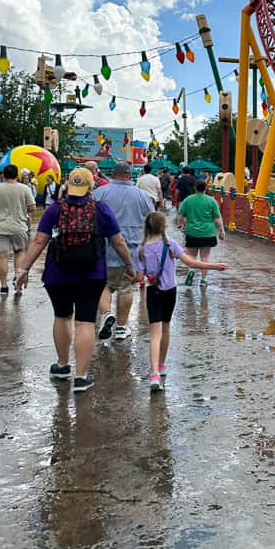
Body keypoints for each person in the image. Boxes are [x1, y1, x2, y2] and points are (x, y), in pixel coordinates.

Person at [14, 167, 135, 393]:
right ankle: (81, 377)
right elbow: (118, 242)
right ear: (91, 187)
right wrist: (130, 265)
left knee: (62, 317)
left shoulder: (54, 210)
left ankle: (62, 366)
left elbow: (40, 240)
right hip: (92, 275)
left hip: (57, 274)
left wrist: (23, 269)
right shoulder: (101, 210)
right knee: (85, 323)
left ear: (69, 185)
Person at [134, 211, 229, 392]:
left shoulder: (141, 250)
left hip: (153, 292)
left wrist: (137, 276)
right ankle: (162, 365)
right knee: (166, 327)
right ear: (164, 227)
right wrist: (214, 266)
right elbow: (191, 263)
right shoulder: (170, 245)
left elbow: (140, 277)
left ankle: (153, 374)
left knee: (155, 333)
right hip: (170, 291)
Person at [93, 160, 154, 341]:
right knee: (126, 288)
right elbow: (151, 222)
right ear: (129, 175)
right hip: (133, 249)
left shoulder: (99, 193)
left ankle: (106, 315)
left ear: (112, 174)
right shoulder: (142, 196)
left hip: (105, 249)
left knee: (104, 286)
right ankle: (121, 327)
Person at [0, 164, 36, 294]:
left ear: (3, 175)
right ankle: (18, 280)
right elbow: (33, 208)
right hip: (19, 227)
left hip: (0, 227)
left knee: (3, 256)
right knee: (19, 253)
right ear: (17, 175)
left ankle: (4, 286)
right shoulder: (24, 189)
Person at [176, 178, 225, 286]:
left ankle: (191, 271)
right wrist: (221, 230)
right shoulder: (211, 201)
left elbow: (180, 215)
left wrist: (180, 226)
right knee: (205, 257)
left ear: (195, 188)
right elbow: (217, 218)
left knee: (192, 256)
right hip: (208, 232)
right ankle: (203, 280)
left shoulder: (188, 200)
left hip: (192, 232)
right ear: (205, 188)